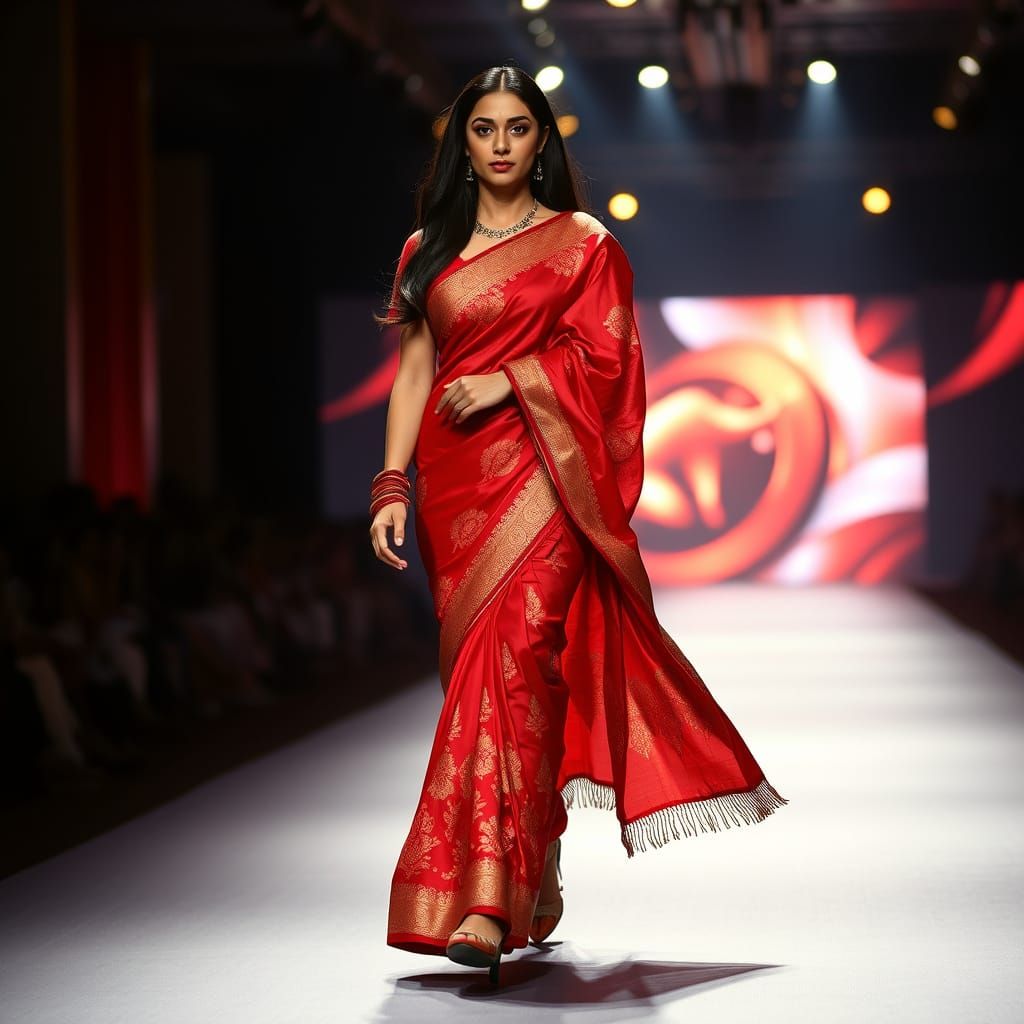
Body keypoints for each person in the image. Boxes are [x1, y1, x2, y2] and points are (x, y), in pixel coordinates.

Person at [370, 65, 788, 985]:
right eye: (485, 129)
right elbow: (412, 373)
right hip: (455, 488)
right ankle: (539, 854)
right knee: (482, 678)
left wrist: (512, 379)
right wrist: (391, 483)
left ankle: (485, 897)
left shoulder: (582, 244)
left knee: (520, 661)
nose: (503, 145)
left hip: (550, 484)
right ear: (463, 144)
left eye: (520, 128)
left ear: (542, 142)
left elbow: (609, 362)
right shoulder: (427, 249)